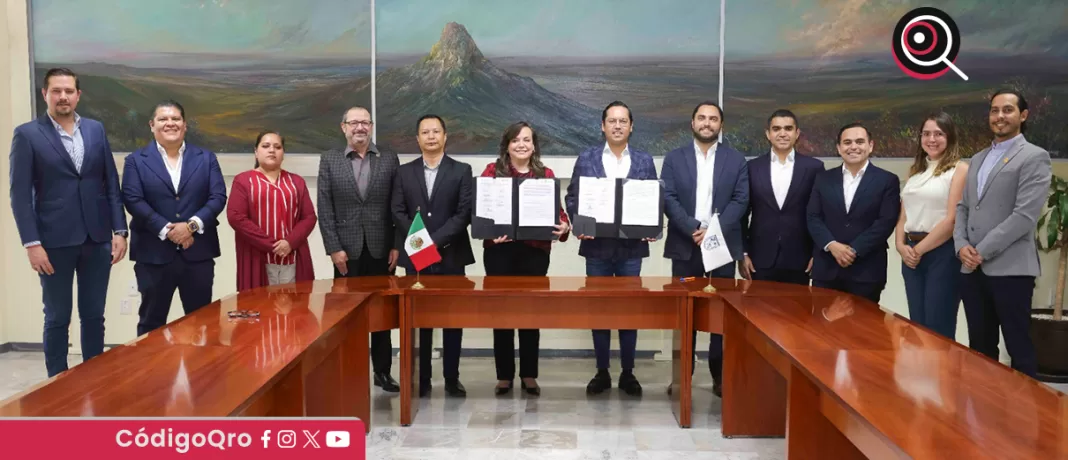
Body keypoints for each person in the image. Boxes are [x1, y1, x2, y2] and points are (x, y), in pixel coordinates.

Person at [8, 68, 128, 377]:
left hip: (97, 237)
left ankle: (93, 377)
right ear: (44, 94)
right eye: (56, 90)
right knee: (58, 316)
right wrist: (32, 243)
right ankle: (57, 383)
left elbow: (110, 183)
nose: (63, 96)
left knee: (93, 315)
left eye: (69, 91)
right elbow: (20, 195)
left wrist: (120, 230)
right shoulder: (27, 134)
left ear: (78, 95)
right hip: (53, 242)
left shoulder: (95, 130)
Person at [954, 89, 1051, 378]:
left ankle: (1027, 420)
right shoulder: (978, 158)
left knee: (1018, 348)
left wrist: (981, 251)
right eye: (995, 110)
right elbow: (963, 207)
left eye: (1007, 110)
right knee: (980, 348)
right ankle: (985, 416)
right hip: (972, 270)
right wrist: (961, 245)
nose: (999, 116)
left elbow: (1024, 216)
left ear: (1023, 115)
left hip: (1011, 271)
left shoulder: (1035, 157)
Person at [565, 101, 657, 397]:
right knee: (600, 309)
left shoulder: (644, 160)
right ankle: (602, 371)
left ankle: (628, 372)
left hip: (631, 249)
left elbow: (652, 199)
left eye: (623, 121)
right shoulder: (587, 158)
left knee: (630, 310)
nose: (617, 126)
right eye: (612, 121)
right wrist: (581, 225)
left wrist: (652, 228)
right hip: (597, 248)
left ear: (631, 126)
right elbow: (572, 197)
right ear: (602, 126)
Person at [661, 101, 748, 398]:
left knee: (719, 315)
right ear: (692, 123)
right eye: (702, 118)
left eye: (713, 119)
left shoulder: (736, 160)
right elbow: (668, 198)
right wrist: (692, 226)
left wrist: (713, 229)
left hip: (721, 248)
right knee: (684, 313)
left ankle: (719, 376)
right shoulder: (674, 158)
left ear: (721, 125)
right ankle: (682, 375)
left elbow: (741, 199)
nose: (707, 123)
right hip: (685, 248)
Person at [480, 122, 571, 397]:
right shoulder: (492, 172)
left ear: (534, 145)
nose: (522, 144)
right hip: (500, 252)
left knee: (531, 313)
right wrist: (488, 232)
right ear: (507, 144)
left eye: (527, 140)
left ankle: (529, 374)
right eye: (516, 140)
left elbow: (560, 214)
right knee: (502, 314)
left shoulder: (545, 174)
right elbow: (481, 210)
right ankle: (504, 376)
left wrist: (564, 227)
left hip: (534, 253)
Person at [122, 100, 227, 336]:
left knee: (203, 323)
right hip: (153, 255)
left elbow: (218, 196)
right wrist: (169, 230)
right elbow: (133, 200)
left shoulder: (206, 158)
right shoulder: (136, 161)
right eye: (163, 119)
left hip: (198, 253)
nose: (170, 123)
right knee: (151, 323)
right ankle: (152, 373)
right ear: (152, 125)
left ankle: (202, 373)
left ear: (185, 125)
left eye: (176, 119)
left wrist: (190, 226)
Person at [317, 106, 402, 392]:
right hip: (346, 252)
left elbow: (397, 205)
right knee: (346, 314)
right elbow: (325, 208)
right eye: (354, 123)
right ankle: (349, 370)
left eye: (365, 122)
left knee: (381, 313)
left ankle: (382, 372)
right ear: (343, 127)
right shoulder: (329, 160)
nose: (360, 128)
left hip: (381, 248)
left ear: (372, 126)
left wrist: (396, 245)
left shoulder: (389, 158)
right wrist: (333, 248)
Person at [391, 114, 473, 397]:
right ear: (418, 139)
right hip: (417, 256)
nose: (431, 136)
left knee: (452, 320)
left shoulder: (462, 171)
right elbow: (398, 211)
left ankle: (452, 378)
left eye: (436, 131)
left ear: (445, 136)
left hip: (452, 255)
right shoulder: (404, 172)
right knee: (419, 320)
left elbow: (463, 214)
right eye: (425, 132)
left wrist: (434, 241)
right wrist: (420, 242)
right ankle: (421, 379)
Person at [807, 122, 900, 303]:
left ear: (870, 145)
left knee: (863, 330)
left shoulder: (887, 180)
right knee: (822, 328)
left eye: (859, 141)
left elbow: (885, 222)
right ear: (839, 148)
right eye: (847, 142)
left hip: (866, 270)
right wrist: (832, 245)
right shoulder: (823, 178)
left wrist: (853, 250)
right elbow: (813, 217)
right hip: (827, 268)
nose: (853, 147)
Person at [896, 113, 968, 340]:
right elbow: (903, 215)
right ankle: (921, 375)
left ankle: (943, 376)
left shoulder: (960, 169)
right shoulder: (916, 171)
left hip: (942, 253)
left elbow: (951, 219)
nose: (931, 139)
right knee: (917, 326)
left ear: (950, 137)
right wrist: (900, 246)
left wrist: (918, 251)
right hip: (911, 253)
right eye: (926, 134)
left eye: (938, 134)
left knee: (938, 326)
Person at [739, 109, 824, 285]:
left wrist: (818, 253)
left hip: (801, 259)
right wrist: (743, 253)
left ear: (797, 133)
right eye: (776, 129)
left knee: (798, 312)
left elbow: (821, 214)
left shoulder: (814, 167)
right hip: (759, 259)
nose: (783, 133)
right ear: (768, 134)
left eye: (788, 128)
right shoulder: (752, 167)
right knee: (757, 312)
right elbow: (742, 214)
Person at [227, 131, 317, 290]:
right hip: (257, 257)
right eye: (266, 146)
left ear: (283, 154)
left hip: (292, 258)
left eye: (277, 147)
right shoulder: (243, 181)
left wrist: (289, 242)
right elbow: (236, 217)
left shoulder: (296, 182)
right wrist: (272, 245)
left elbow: (309, 217)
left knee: (295, 311)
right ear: (256, 152)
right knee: (260, 309)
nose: (272, 150)